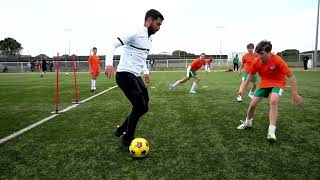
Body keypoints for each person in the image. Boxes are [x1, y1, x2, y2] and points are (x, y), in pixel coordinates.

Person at [105, 9, 164, 146]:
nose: (159, 28)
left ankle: (121, 130)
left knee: (144, 107)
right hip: (125, 74)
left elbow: (142, 57)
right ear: (149, 20)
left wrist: (146, 72)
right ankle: (127, 138)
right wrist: (108, 64)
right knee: (139, 105)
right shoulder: (136, 32)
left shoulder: (149, 40)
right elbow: (112, 44)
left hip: (135, 76)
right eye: (157, 24)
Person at [237, 40, 304, 141]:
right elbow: (250, 76)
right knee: (252, 104)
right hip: (264, 83)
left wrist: (294, 94)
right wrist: (242, 89)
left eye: (262, 54)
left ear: (269, 52)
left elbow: (292, 77)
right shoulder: (257, 61)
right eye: (257, 54)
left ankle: (271, 131)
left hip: (278, 82)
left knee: (273, 101)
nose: (259, 56)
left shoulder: (277, 60)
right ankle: (248, 122)